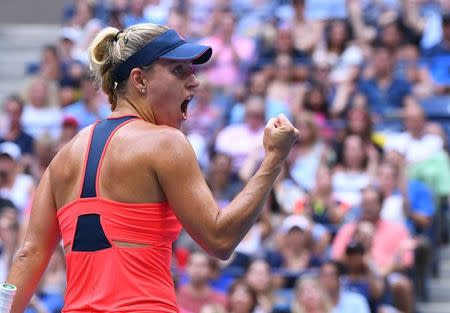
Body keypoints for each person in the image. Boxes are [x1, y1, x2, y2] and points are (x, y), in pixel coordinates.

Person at [6, 23, 299, 313]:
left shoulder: (63, 158)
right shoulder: (166, 143)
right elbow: (220, 240)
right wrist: (273, 158)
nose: (194, 81)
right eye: (179, 70)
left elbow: (28, 255)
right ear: (139, 80)